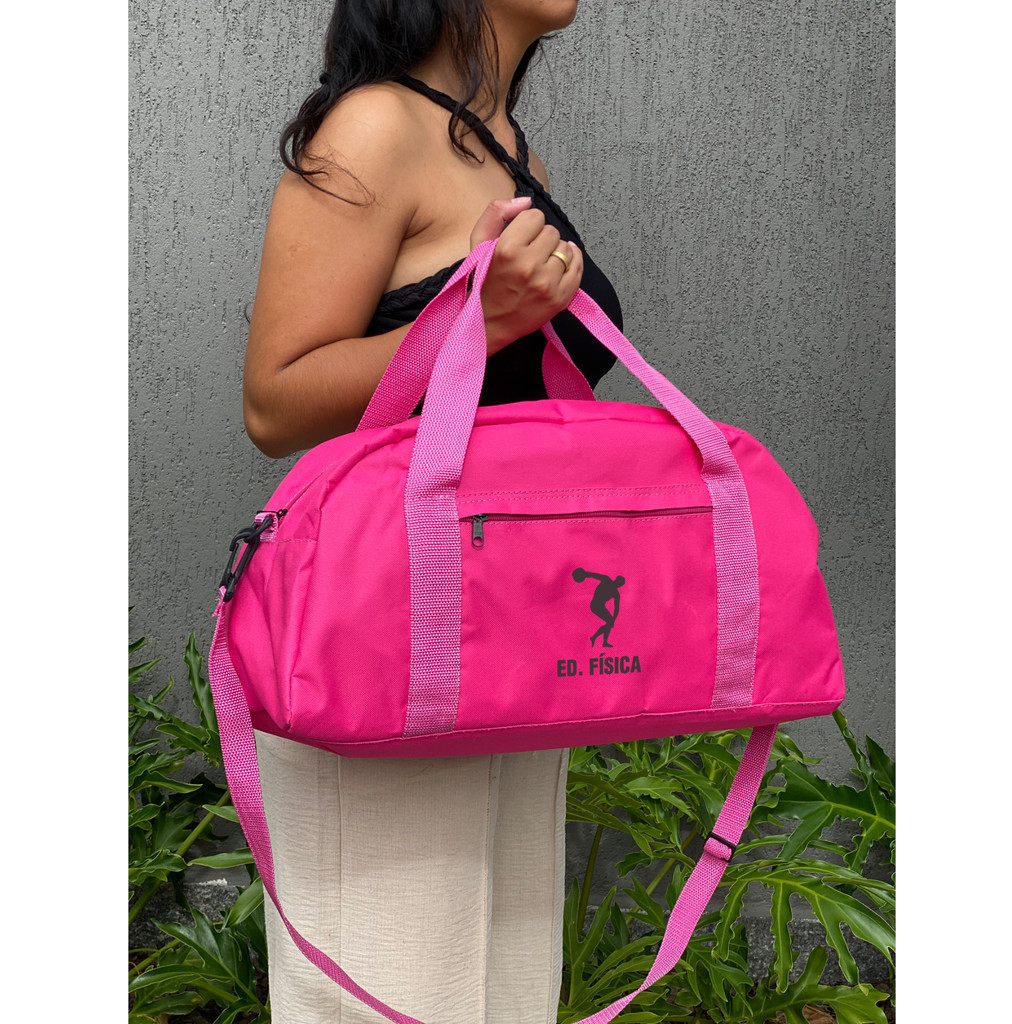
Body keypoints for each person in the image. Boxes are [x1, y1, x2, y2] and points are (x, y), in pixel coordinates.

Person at [242, 2, 624, 1021]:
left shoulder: (504, 147)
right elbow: (274, 403)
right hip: (386, 636)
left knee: (504, 987)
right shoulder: (375, 124)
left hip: (511, 626)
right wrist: (478, 319)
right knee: (391, 985)